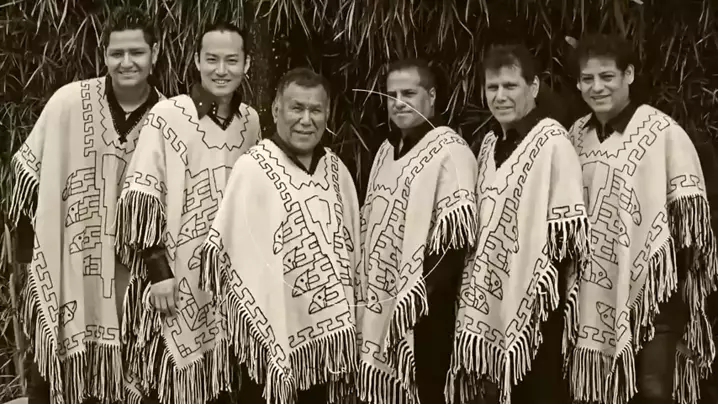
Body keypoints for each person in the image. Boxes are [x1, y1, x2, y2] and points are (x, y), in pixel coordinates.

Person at [9, 6, 162, 404]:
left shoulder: (169, 119)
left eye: (137, 52)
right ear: (104, 54)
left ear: (155, 54)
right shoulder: (67, 103)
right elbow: (29, 177)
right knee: (56, 374)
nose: (126, 62)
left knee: (130, 374)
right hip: (69, 265)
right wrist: (29, 261)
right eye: (117, 53)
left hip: (133, 278)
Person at [565, 33, 717, 404]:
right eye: (587, 79)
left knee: (652, 389)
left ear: (628, 75)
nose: (597, 87)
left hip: (654, 295)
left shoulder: (662, 134)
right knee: (595, 390)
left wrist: (672, 288)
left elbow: (694, 223)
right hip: (591, 292)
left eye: (607, 76)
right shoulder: (575, 137)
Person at [114, 21, 261, 404]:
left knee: (218, 381)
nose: (221, 70)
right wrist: (158, 271)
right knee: (165, 383)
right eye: (211, 59)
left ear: (247, 64)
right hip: (173, 275)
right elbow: (141, 196)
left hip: (226, 277)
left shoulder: (250, 122)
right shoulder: (168, 115)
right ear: (196, 61)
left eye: (232, 60)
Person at [199, 67, 360, 404]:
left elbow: (351, 252)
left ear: (328, 113)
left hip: (326, 344)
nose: (306, 120)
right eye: (296, 108)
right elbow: (227, 253)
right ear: (276, 110)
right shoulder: (253, 168)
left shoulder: (337, 170)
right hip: (267, 330)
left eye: (316, 110)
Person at [444, 44, 590, 404]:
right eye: (492, 87)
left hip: (538, 301)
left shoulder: (552, 140)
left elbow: (568, 233)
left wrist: (533, 286)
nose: (500, 96)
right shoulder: (489, 145)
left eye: (510, 86)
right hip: (492, 293)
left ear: (533, 87)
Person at [354, 58, 478, 404]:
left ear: (432, 96)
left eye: (409, 93)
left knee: (425, 392)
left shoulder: (449, 150)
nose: (398, 102)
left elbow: (456, 240)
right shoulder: (385, 152)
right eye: (391, 95)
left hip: (426, 307)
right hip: (382, 298)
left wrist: (414, 299)